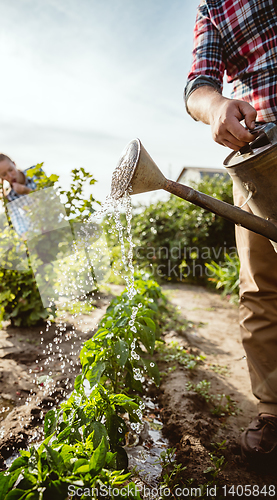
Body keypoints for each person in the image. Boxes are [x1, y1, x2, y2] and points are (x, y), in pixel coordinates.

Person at [184, 0, 277, 465]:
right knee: (261, 289)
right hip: (257, 157)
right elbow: (197, 87)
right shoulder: (214, 5)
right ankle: (273, 411)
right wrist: (215, 104)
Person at [0, 153, 39, 236]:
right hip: (36, 234)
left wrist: (27, 191)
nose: (10, 176)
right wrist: (25, 236)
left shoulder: (36, 173)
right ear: (0, 177)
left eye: (10, 170)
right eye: (4, 175)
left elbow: (49, 199)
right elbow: (18, 222)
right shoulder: (10, 197)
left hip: (55, 225)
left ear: (14, 164)